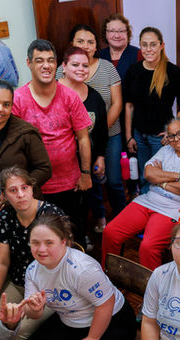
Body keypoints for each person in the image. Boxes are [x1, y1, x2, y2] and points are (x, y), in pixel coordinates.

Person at [0, 167, 66, 340]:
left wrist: (33, 300)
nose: (20, 194)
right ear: (4, 195)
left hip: (49, 288)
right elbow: (1, 262)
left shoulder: (51, 214)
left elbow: (65, 260)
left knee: (17, 333)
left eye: (24, 188)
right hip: (19, 282)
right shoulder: (6, 217)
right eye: (13, 190)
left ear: (32, 188)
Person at [102, 118, 180, 270]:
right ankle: (108, 274)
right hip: (147, 201)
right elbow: (148, 174)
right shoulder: (165, 150)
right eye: (171, 135)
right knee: (110, 232)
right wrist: (178, 176)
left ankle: (153, 289)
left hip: (173, 209)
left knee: (148, 246)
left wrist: (161, 179)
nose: (176, 139)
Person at [13, 39, 93, 229]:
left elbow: (83, 138)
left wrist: (86, 173)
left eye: (50, 60)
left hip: (70, 183)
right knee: (43, 236)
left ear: (57, 64)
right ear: (29, 63)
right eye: (39, 60)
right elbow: (14, 146)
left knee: (71, 233)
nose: (46, 65)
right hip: (36, 185)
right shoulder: (18, 99)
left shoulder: (69, 96)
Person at [62, 24, 126, 225]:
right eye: (80, 41)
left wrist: (98, 133)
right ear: (72, 44)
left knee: (113, 180)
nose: (86, 46)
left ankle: (122, 220)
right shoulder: (61, 73)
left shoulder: (106, 68)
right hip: (75, 140)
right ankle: (99, 218)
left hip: (108, 131)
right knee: (88, 182)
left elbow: (117, 103)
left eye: (90, 42)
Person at [124, 27, 180, 194]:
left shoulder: (174, 72)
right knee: (143, 178)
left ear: (162, 45)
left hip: (161, 139)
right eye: (144, 45)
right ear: (140, 46)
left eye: (153, 44)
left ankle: (158, 213)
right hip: (139, 136)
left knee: (160, 180)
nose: (148, 49)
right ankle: (145, 211)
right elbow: (129, 105)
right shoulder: (134, 70)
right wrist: (129, 136)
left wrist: (173, 134)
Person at [59, 45, 108, 249]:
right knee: (64, 205)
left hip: (85, 161)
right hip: (62, 163)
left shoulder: (94, 96)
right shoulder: (54, 92)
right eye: (75, 64)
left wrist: (100, 156)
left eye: (85, 65)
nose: (80, 69)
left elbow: (101, 130)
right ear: (64, 66)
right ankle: (64, 240)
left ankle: (81, 235)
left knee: (83, 202)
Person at [98, 13, 142, 80]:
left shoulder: (139, 54)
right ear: (105, 33)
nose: (117, 36)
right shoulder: (99, 56)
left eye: (121, 31)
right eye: (112, 31)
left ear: (127, 33)